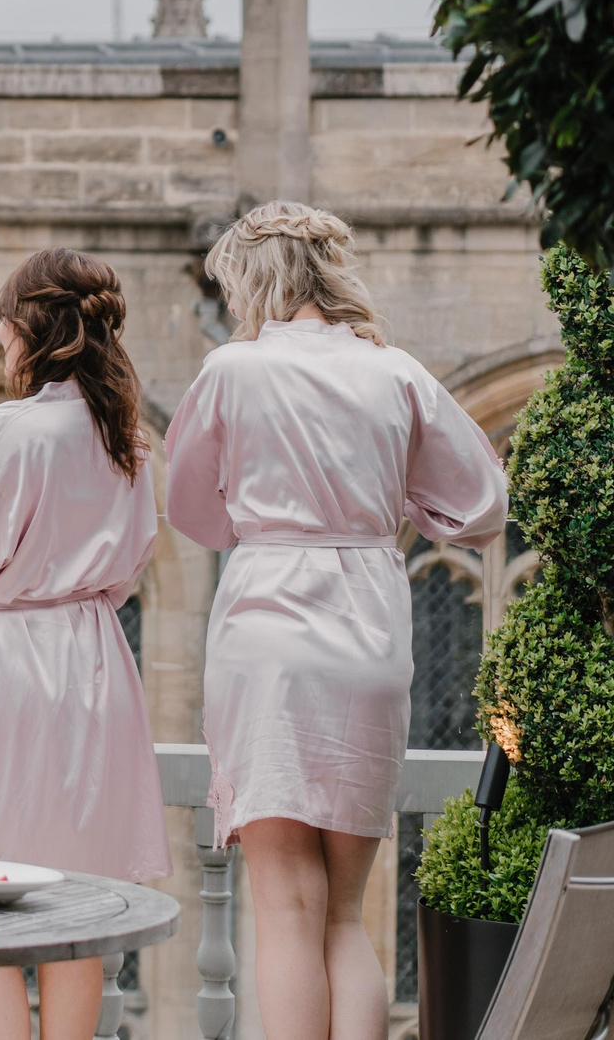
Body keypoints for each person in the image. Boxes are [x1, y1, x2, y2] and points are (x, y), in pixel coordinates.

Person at [166, 201, 506, 1040]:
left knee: (285, 905)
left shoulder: (232, 371)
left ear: (256, 279)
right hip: (369, 625)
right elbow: (484, 505)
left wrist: (263, 524)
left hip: (270, 624)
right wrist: (398, 510)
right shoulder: (396, 373)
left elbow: (188, 509)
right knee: (345, 916)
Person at [0, 249, 169, 1040]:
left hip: (6, 662)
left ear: (28, 326)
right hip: (93, 659)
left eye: (3, 323)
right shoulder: (124, 435)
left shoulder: (2, 430)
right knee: (75, 900)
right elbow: (129, 564)